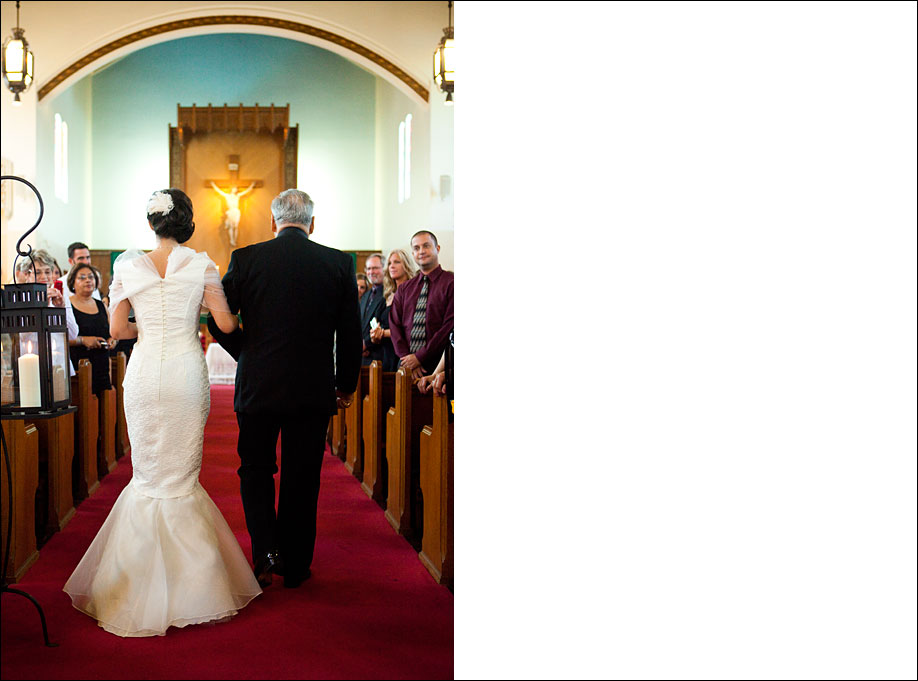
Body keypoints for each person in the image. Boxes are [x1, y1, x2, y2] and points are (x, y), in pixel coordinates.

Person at [63, 188, 261, 637]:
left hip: (146, 371)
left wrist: (147, 324)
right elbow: (226, 325)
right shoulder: (202, 264)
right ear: (186, 222)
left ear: (151, 223)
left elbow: (117, 329)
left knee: (149, 472)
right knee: (180, 475)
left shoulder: (128, 265)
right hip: (186, 373)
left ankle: (132, 585)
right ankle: (195, 587)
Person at [207, 188, 361, 589]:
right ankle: (294, 565)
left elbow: (217, 321)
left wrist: (249, 355)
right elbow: (349, 333)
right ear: (313, 223)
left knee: (255, 469)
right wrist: (344, 385)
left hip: (258, 388)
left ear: (272, 223)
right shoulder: (338, 264)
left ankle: (264, 552)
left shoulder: (246, 259)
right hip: (312, 389)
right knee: (302, 475)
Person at [389, 231, 454, 380]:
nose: (421, 251)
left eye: (426, 246)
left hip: (440, 368)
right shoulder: (405, 288)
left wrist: (420, 357)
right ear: (412, 253)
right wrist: (407, 358)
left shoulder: (452, 283)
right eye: (416, 248)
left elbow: (449, 326)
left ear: (437, 248)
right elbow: (394, 324)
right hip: (407, 368)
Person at [66, 263, 114, 394]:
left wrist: (112, 340)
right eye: (82, 277)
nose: (88, 280)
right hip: (79, 367)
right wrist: (83, 340)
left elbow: (112, 331)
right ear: (72, 283)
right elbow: (60, 338)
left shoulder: (101, 305)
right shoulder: (67, 306)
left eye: (91, 277)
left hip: (102, 366)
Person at [369, 247, 417, 371]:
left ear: (406, 265)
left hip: (403, 354)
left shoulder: (412, 292)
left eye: (397, 262)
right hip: (386, 353)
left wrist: (383, 333)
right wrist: (375, 334)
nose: (392, 266)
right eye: (389, 263)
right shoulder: (389, 295)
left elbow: (408, 327)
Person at [359, 253, 387, 366]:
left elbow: (385, 325)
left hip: (380, 359)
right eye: (369, 268)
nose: (371, 272)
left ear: (384, 269)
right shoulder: (366, 296)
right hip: (363, 358)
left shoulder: (389, 294)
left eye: (375, 268)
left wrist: (365, 344)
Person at [211, 181, 256, 247]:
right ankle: (232, 240)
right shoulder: (227, 196)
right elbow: (219, 191)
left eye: (236, 188)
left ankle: (234, 240)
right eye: (234, 188)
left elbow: (246, 191)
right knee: (231, 227)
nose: (235, 189)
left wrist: (251, 186)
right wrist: (213, 185)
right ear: (231, 189)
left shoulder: (237, 196)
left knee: (236, 227)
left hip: (236, 212)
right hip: (230, 212)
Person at [58, 241, 102, 306]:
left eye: (88, 257)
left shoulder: (92, 281)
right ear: (70, 261)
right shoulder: (61, 283)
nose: (86, 262)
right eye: (81, 258)